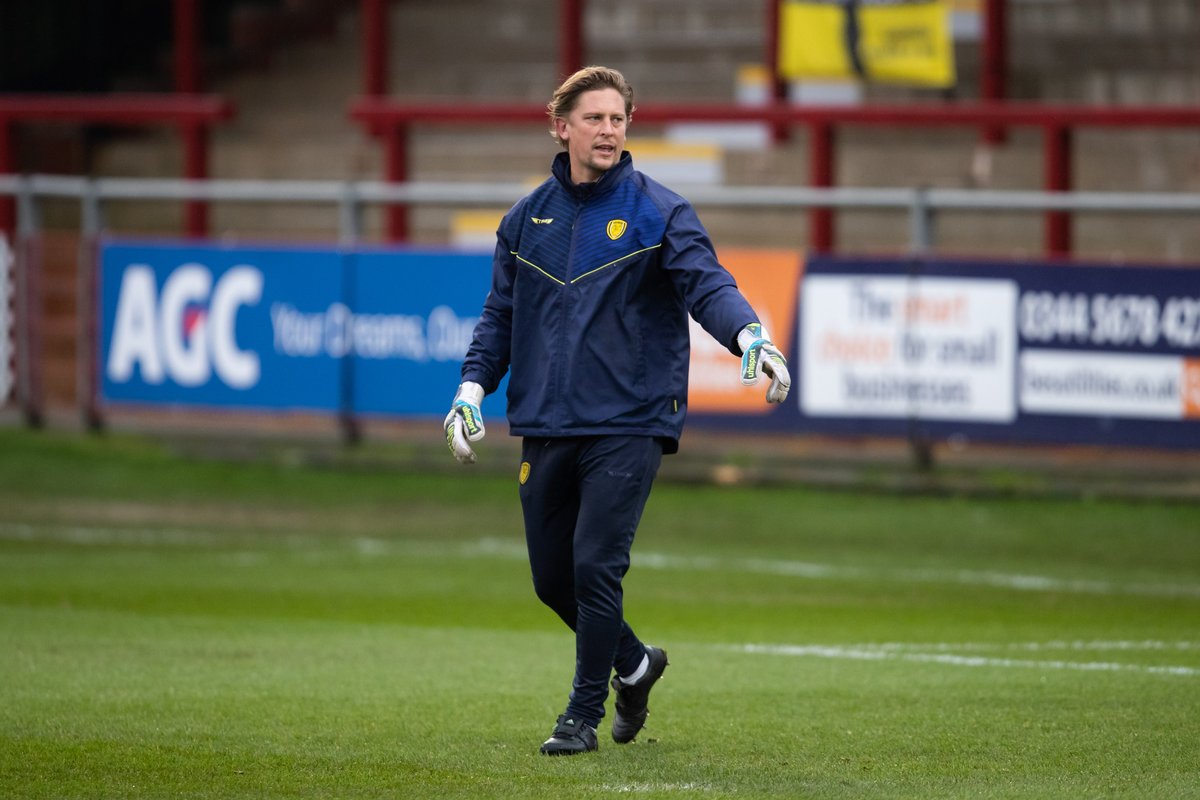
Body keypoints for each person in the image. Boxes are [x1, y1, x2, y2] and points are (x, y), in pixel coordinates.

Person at [443, 65, 790, 756]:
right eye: (594, 118)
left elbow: (707, 285)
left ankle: (581, 716)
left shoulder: (660, 210)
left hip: (631, 419)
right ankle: (634, 665)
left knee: (595, 568)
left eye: (618, 119)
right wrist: (470, 389)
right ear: (561, 126)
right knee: (553, 582)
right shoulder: (524, 220)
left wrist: (750, 336)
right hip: (547, 422)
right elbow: (500, 316)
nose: (608, 130)